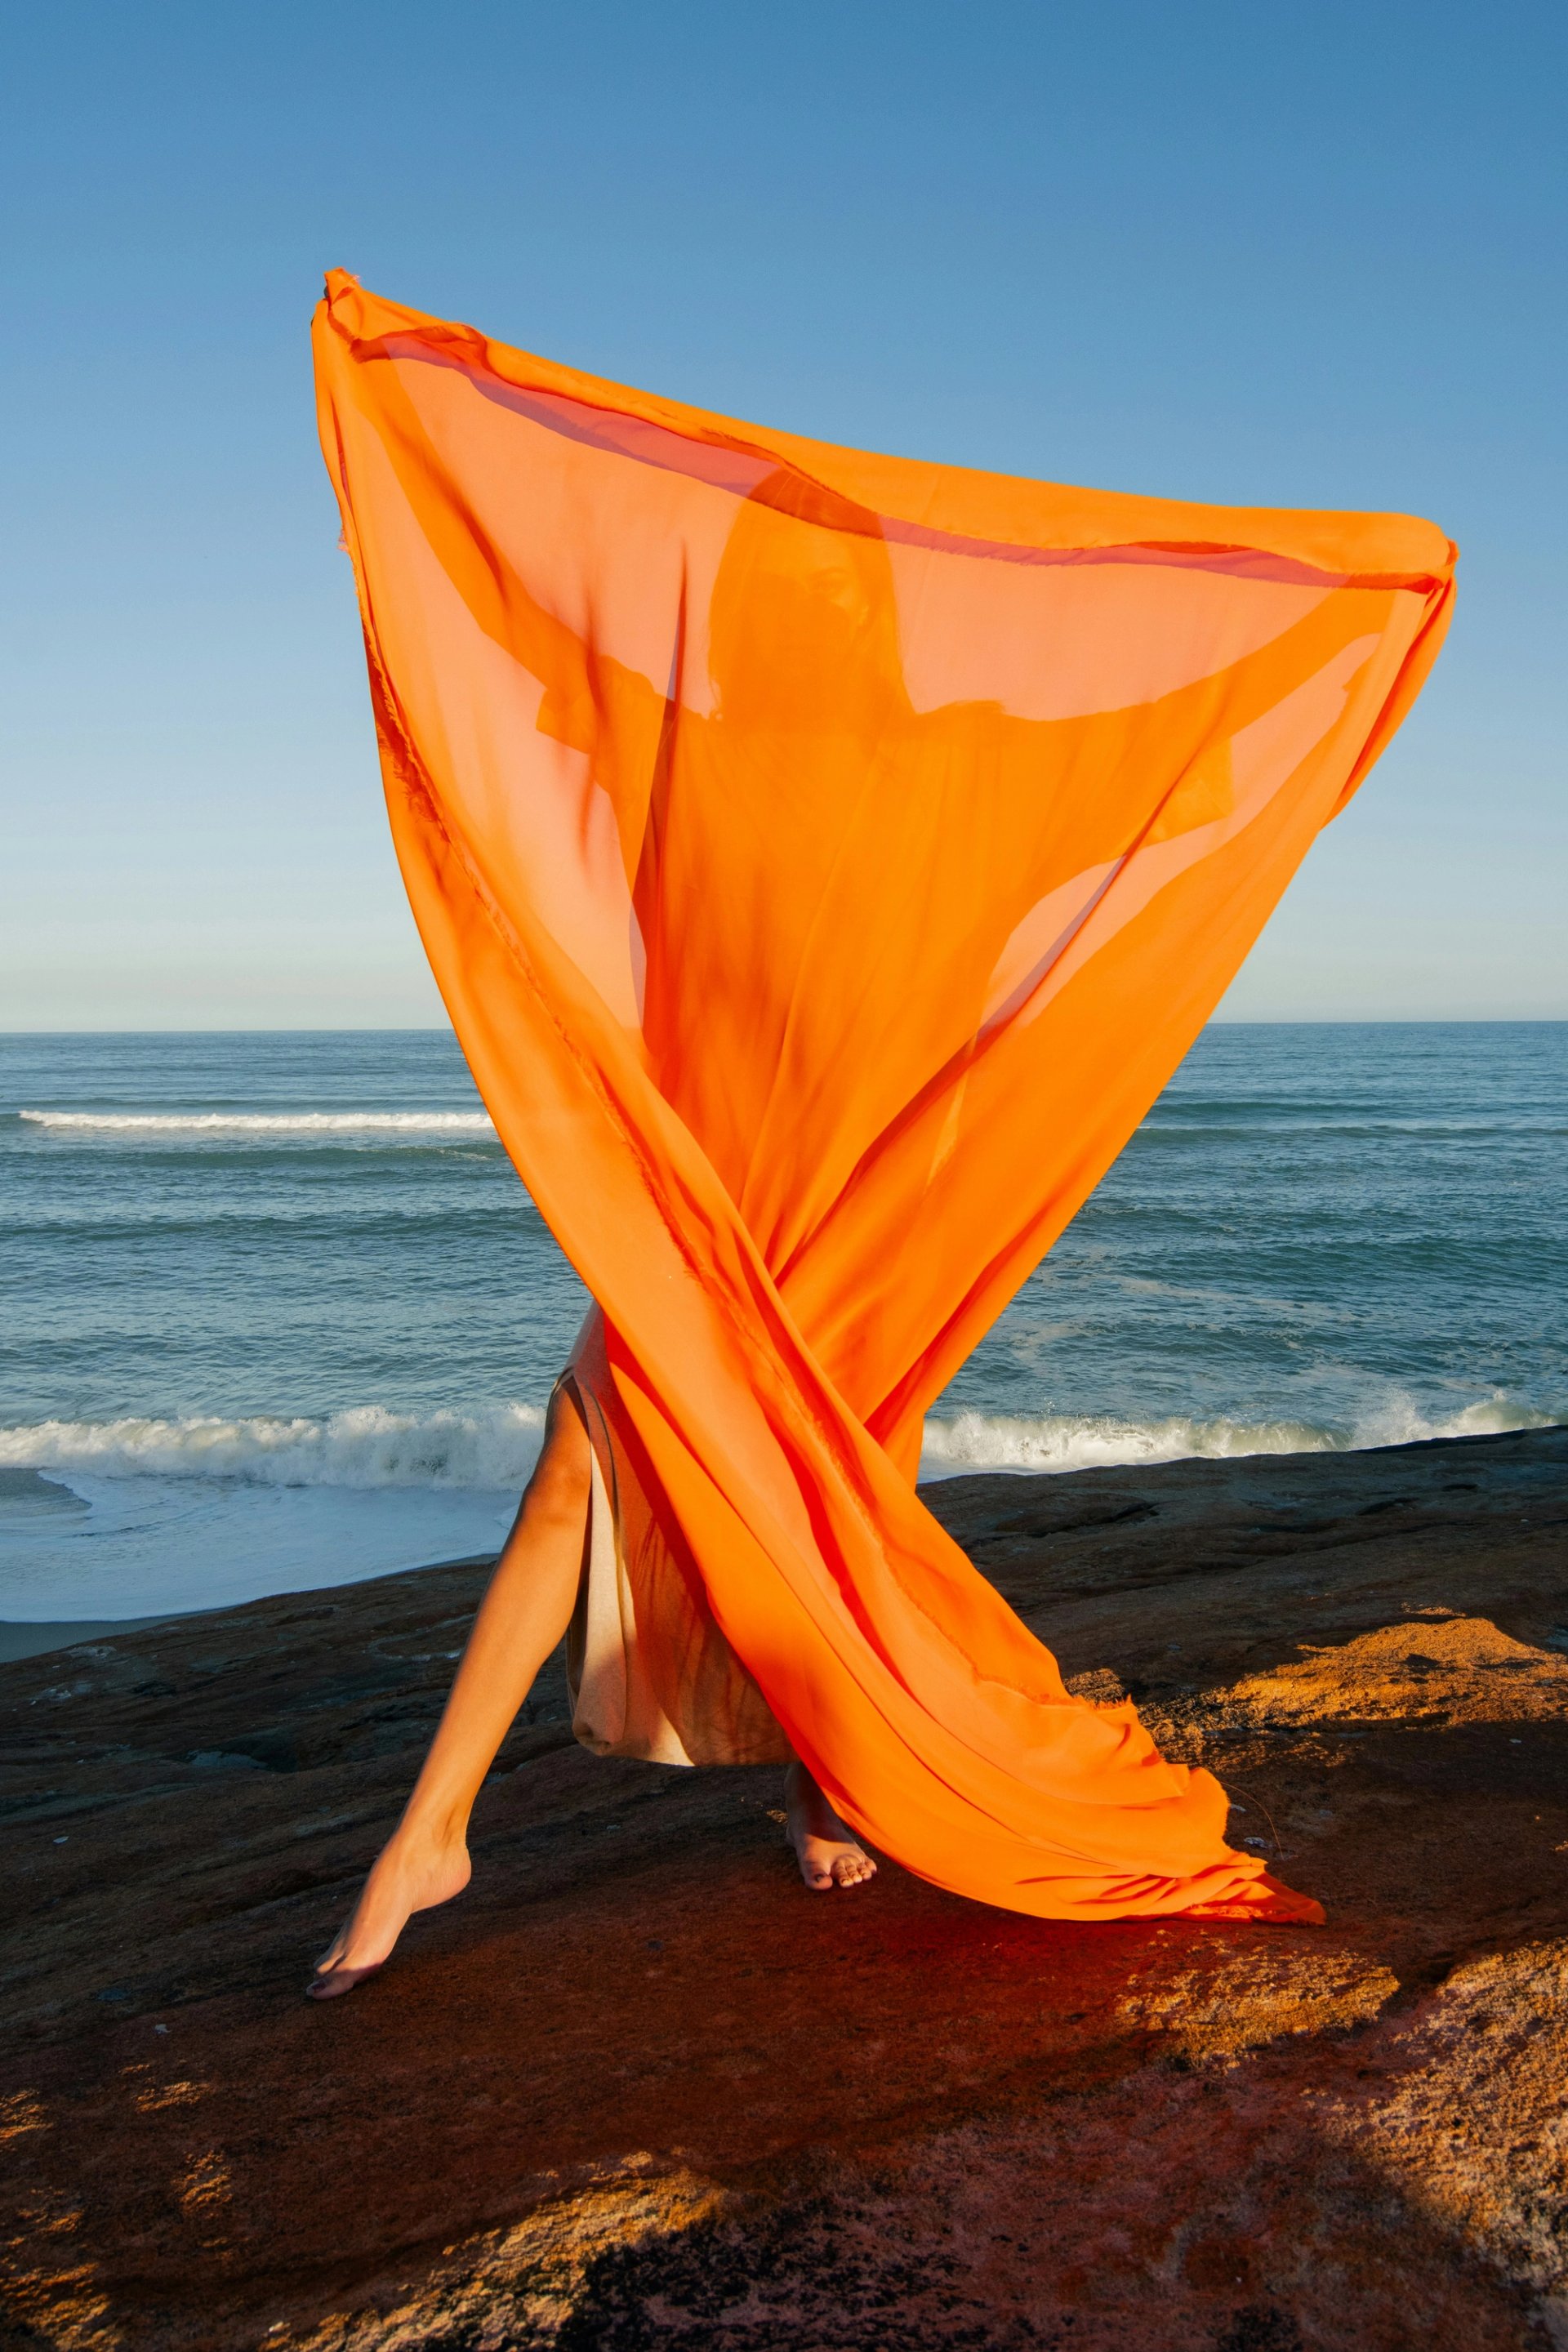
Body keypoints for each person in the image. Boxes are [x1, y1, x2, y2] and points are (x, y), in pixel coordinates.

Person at [307, 271, 1454, 1993]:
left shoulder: (954, 759)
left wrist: (1345, 603)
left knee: (814, 1486)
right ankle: (459, 1825)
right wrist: (429, 432)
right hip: (730, 1191)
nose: (812, 630)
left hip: (869, 1194)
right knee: (599, 1459)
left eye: (829, 605)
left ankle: (732, 1789)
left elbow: (1158, 761)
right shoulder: (701, 738)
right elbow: (550, 654)